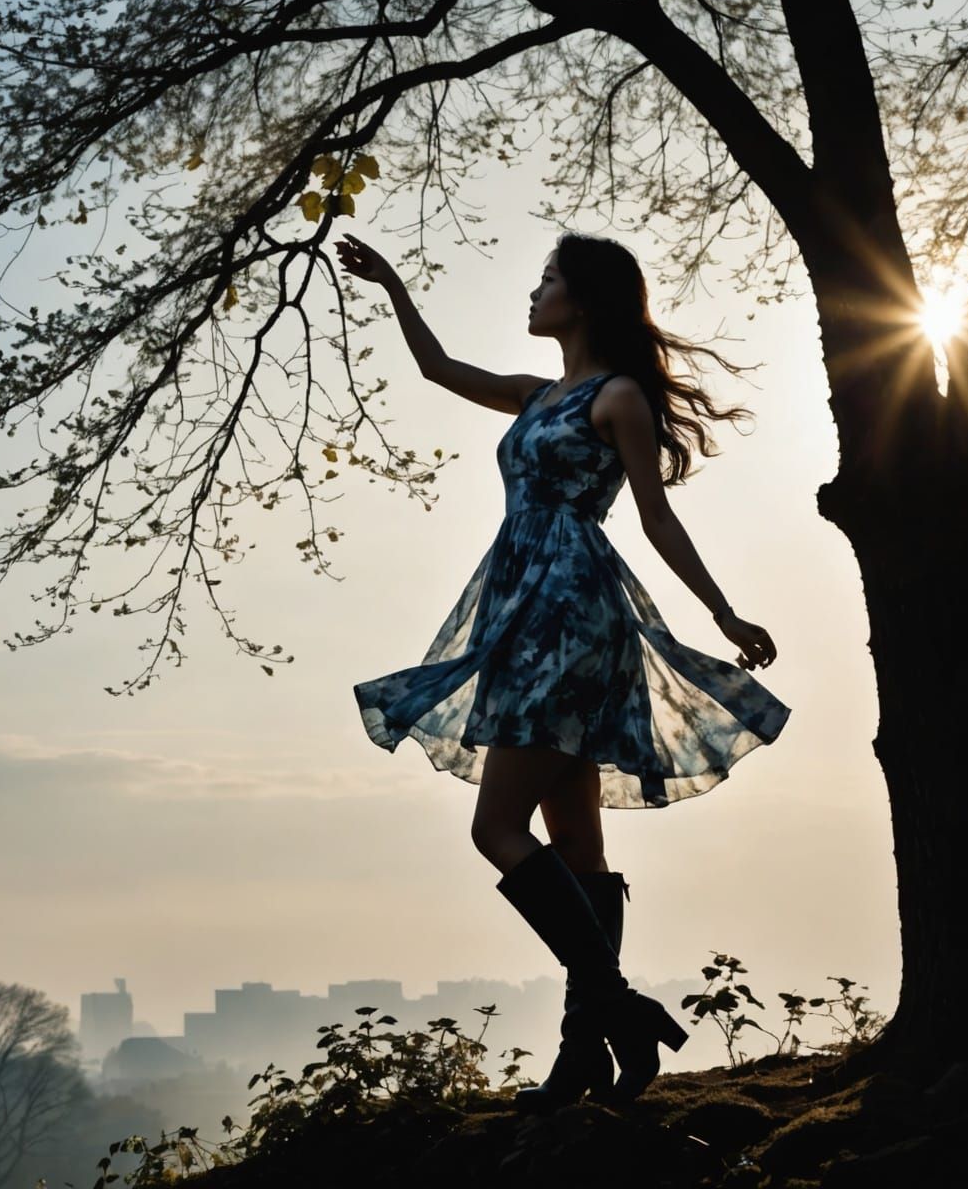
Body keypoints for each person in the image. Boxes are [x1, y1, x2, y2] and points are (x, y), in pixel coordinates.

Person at [336, 230, 789, 1111]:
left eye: (546, 281)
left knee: (494, 829)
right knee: (575, 841)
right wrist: (393, 282)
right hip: (521, 609)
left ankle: (613, 1008)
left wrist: (722, 610)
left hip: (569, 614)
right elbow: (438, 369)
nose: (532, 293)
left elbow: (655, 518)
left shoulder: (619, 397)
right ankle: (587, 1054)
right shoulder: (537, 394)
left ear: (582, 299)